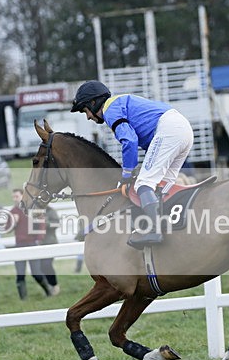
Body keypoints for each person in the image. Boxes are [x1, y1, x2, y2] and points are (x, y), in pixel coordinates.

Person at [70, 80, 194, 248]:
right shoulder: (119, 103)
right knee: (163, 185)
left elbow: (129, 141)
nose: (88, 117)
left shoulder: (109, 109)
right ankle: (169, 228)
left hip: (169, 129)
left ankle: (154, 231)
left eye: (86, 111)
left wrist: (126, 175)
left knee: (143, 183)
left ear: (93, 102)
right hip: (182, 128)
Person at [10, 188, 51, 300]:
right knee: (20, 274)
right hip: (19, 245)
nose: (15, 199)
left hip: (32, 243)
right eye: (13, 197)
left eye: (16, 196)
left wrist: (39, 239)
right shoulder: (13, 211)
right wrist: (13, 222)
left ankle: (48, 291)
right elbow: (7, 228)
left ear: (22, 196)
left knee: (36, 273)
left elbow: (41, 225)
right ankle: (23, 299)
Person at [38, 205, 61, 295]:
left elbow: (57, 224)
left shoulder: (51, 211)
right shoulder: (35, 212)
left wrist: (45, 222)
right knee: (41, 267)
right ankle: (49, 286)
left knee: (47, 265)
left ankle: (54, 285)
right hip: (39, 244)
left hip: (50, 242)